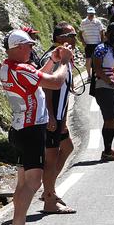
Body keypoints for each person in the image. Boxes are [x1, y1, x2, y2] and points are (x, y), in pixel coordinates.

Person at [0, 29, 72, 225]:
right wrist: (65, 63)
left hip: (21, 128)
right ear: (18, 47)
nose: (32, 49)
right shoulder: (21, 69)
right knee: (33, 183)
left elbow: (36, 78)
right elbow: (55, 82)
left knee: (22, 183)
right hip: (31, 131)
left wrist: (52, 60)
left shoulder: (8, 67)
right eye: (28, 46)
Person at [38, 23, 77, 215]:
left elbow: (66, 91)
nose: (75, 39)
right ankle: (49, 199)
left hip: (60, 116)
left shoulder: (66, 58)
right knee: (51, 158)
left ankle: (49, 190)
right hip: (50, 116)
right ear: (60, 38)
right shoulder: (53, 58)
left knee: (68, 147)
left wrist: (64, 120)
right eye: (71, 35)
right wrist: (52, 115)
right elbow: (46, 88)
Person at [92, 23, 114, 161]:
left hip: (111, 86)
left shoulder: (111, 49)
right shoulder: (101, 48)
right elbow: (98, 69)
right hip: (104, 86)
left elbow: (110, 69)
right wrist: (110, 81)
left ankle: (108, 149)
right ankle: (106, 151)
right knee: (110, 118)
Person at [79, 6, 104, 79]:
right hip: (88, 43)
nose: (91, 15)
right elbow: (80, 33)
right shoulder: (83, 22)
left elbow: (102, 32)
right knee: (88, 59)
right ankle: (89, 76)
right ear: (87, 14)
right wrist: (83, 41)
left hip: (97, 43)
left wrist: (102, 42)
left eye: (92, 14)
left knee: (97, 59)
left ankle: (98, 74)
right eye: (90, 14)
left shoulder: (98, 22)